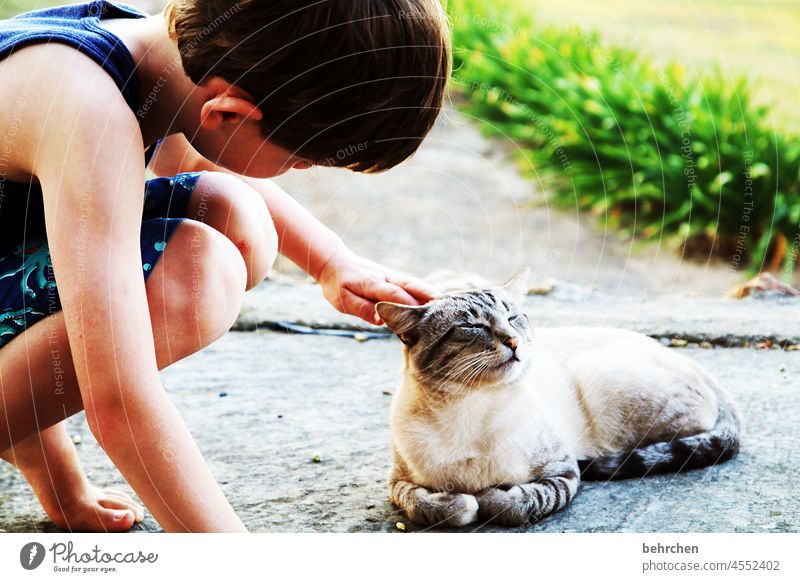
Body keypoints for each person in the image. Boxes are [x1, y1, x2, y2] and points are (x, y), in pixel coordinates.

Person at [0, 0, 450, 532]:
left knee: (235, 214)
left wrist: (333, 262)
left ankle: (29, 435)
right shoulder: (86, 111)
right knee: (195, 274)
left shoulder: (158, 54)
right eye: (300, 160)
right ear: (229, 112)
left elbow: (188, 157)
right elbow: (119, 398)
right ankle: (24, 433)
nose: (298, 172)